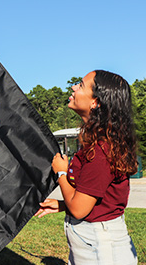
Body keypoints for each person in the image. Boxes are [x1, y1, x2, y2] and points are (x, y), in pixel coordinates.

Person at [35, 70, 138, 265]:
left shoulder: (101, 151)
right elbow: (96, 199)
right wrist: (62, 206)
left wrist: (61, 172)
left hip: (101, 250)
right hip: (91, 244)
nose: (73, 87)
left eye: (81, 85)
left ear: (95, 102)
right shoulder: (95, 144)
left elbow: (80, 210)